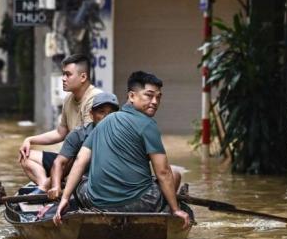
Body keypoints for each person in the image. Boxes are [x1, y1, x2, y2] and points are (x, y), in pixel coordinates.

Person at [53, 71, 190, 229]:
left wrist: (65, 198)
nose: (154, 102)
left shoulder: (103, 122)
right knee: (175, 173)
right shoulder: (148, 125)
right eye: (149, 95)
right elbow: (163, 172)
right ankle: (166, 213)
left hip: (95, 202)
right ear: (131, 96)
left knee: (82, 182)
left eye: (158, 97)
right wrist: (176, 209)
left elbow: (80, 161)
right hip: (140, 204)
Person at [18, 54, 102, 192]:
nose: (63, 79)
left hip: (86, 161)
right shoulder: (69, 99)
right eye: (63, 74)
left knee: (69, 158)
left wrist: (56, 173)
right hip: (69, 157)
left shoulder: (95, 100)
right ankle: (45, 185)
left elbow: (85, 148)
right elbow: (60, 133)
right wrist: (30, 139)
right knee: (25, 156)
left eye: (68, 75)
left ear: (83, 77)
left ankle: (48, 186)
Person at [46, 92, 120, 201]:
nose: (106, 117)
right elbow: (59, 163)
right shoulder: (78, 134)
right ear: (91, 114)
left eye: (111, 113)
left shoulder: (123, 134)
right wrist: (56, 186)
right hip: (85, 184)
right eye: (101, 112)